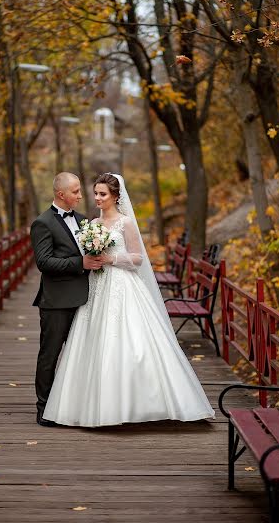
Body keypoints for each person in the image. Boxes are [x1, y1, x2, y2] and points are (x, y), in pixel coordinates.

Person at [43, 173, 215, 426]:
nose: (97, 198)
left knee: (131, 342)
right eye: (96, 193)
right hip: (97, 286)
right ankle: (93, 406)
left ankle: (142, 404)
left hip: (123, 285)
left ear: (115, 196)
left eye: (102, 194)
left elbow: (137, 258)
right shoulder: (91, 223)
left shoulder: (126, 223)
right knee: (93, 340)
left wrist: (111, 259)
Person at [30, 172, 103, 427]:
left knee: (79, 355)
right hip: (56, 301)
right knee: (50, 355)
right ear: (61, 194)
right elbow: (44, 262)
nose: (81, 196)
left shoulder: (83, 221)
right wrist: (80, 263)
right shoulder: (43, 223)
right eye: (75, 191)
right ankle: (43, 408)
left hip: (84, 300)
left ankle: (73, 406)